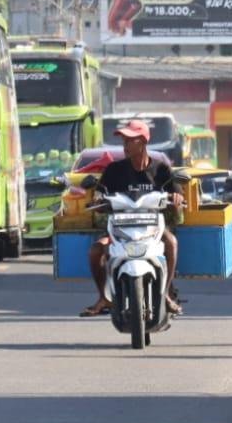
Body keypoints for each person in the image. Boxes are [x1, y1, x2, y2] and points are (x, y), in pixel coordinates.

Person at [79, 120, 185, 318]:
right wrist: (97, 200)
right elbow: (100, 193)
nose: (125, 145)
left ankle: (166, 293)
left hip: (152, 230)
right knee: (95, 250)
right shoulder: (114, 169)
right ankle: (104, 297)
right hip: (120, 230)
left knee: (171, 242)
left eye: (130, 140)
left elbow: (176, 192)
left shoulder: (161, 169)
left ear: (143, 142)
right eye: (124, 140)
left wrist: (177, 197)